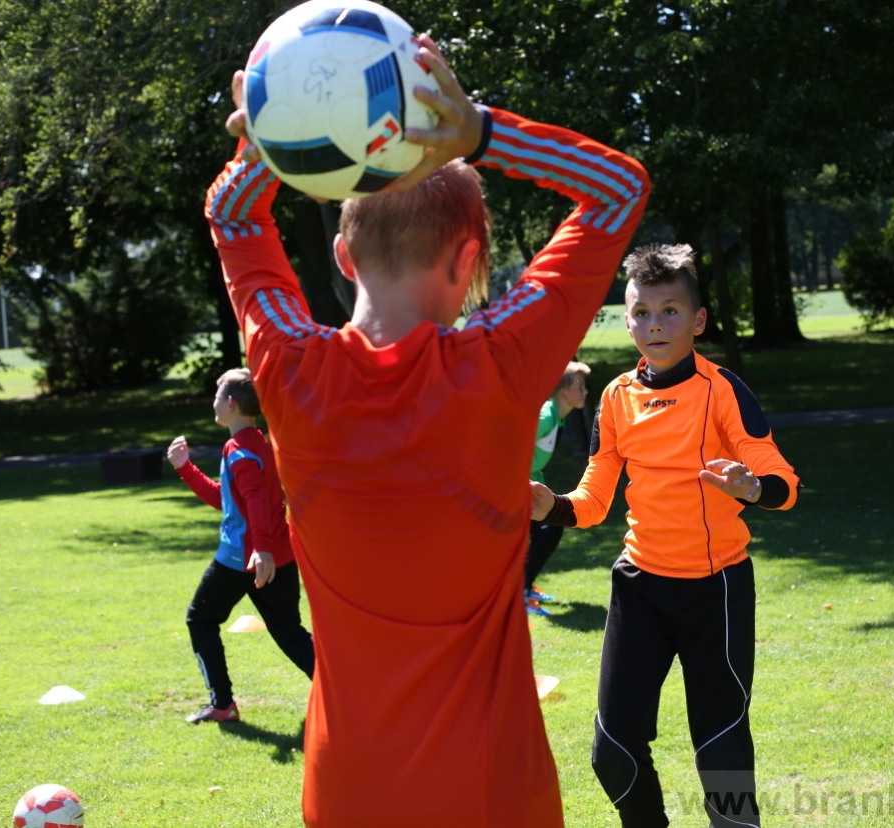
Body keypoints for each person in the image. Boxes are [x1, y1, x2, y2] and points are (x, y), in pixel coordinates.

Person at [206, 34, 649, 828]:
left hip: (346, 793)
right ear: (470, 255)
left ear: (343, 255)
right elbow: (619, 188)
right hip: (490, 793)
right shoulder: (501, 360)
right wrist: (478, 130)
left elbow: (229, 216)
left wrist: (274, 137)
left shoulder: (287, 365)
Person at [530, 243, 800, 828]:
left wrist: (753, 488)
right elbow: (593, 502)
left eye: (670, 310)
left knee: (722, 753)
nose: (655, 324)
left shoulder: (723, 389)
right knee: (613, 752)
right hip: (640, 589)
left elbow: (783, 480)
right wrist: (547, 505)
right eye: (642, 312)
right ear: (626, 321)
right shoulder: (616, 397)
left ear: (698, 320)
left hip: (717, 590)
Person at [166, 368, 315, 725]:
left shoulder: (240, 451)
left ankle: (223, 704)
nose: (213, 402)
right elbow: (229, 499)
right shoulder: (257, 443)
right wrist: (185, 469)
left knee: (199, 619)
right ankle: (346, 692)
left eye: (217, 395)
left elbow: (254, 501)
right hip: (276, 557)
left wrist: (259, 548)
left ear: (230, 404)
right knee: (290, 633)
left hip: (242, 558)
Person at [525, 360, 591, 616]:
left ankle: (525, 588)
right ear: (564, 393)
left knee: (547, 533)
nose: (585, 392)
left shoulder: (556, 417)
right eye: (581, 387)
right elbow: (511, 444)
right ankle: (520, 594)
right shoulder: (546, 415)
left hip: (525, 487)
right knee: (545, 533)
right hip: (511, 490)